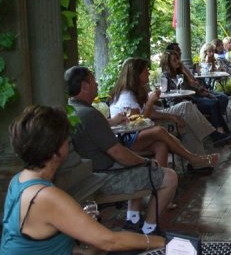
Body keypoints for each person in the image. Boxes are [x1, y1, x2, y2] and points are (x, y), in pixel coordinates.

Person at [0, 105, 165, 254]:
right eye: (66, 138)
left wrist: (79, 250)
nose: (69, 141)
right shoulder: (45, 196)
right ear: (54, 150)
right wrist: (162, 242)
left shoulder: (19, 180)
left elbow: (32, 244)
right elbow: (109, 241)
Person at [65, 66, 178, 236]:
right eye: (93, 80)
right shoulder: (89, 114)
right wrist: (146, 161)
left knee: (139, 164)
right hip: (104, 178)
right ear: (85, 86)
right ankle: (149, 229)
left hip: (92, 172)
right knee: (169, 177)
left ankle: (132, 219)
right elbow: (119, 153)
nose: (96, 83)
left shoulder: (70, 110)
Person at [108, 58, 219, 169]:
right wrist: (150, 102)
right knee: (159, 130)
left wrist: (170, 116)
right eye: (146, 70)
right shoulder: (126, 95)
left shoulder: (137, 90)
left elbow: (148, 115)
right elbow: (138, 125)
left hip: (136, 134)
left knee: (161, 145)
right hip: (127, 138)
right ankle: (194, 157)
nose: (149, 72)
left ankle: (162, 178)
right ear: (137, 74)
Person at [160, 50, 231, 155]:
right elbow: (166, 95)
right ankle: (222, 136)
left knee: (215, 102)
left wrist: (200, 90)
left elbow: (192, 86)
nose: (178, 62)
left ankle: (222, 135)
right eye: (174, 60)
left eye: (177, 59)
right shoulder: (165, 76)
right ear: (167, 63)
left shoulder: (180, 73)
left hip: (191, 99)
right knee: (213, 104)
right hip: (179, 104)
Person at [200, 42, 231, 120]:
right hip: (215, 85)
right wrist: (209, 62)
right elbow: (208, 75)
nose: (212, 53)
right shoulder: (202, 64)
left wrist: (215, 63)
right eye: (210, 51)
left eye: (213, 51)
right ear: (205, 52)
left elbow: (225, 70)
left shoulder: (217, 60)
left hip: (225, 82)